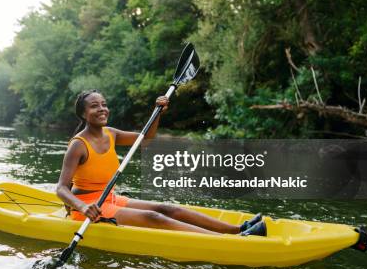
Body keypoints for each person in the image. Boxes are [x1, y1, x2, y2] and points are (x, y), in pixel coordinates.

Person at [56, 89, 267, 236]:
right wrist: (83, 207)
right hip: (89, 208)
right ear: (83, 114)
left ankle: (237, 230)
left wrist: (157, 112)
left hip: (108, 198)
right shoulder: (78, 145)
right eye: (94, 106)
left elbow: (146, 139)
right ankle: (230, 241)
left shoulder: (111, 134)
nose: (102, 109)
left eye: (104, 104)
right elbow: (61, 188)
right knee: (153, 216)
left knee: (167, 208)